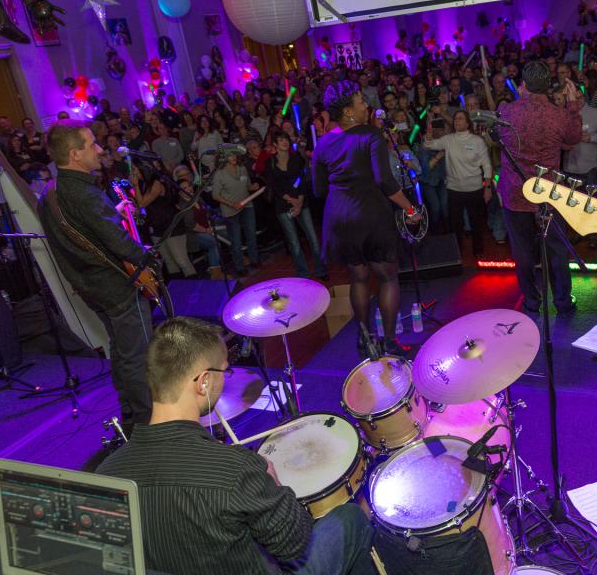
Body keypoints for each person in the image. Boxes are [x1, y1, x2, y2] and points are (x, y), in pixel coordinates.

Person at [97, 317, 375, 575]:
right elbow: (294, 544)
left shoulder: (105, 474)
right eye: (224, 370)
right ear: (204, 381)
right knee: (350, 518)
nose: (225, 378)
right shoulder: (236, 469)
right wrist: (275, 485)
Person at [37, 121, 152, 433]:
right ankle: (148, 427)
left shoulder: (50, 193)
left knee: (121, 351)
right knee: (138, 356)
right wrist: (147, 255)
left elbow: (82, 235)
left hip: (92, 288)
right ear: (75, 154)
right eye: (92, 144)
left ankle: (130, 418)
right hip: (119, 286)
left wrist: (110, 210)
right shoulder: (85, 193)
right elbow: (116, 241)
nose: (99, 149)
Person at [311, 80, 420, 355]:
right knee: (387, 277)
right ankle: (390, 343)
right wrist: (410, 208)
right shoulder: (370, 135)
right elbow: (385, 181)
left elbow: (319, 189)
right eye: (361, 101)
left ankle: (364, 338)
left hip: (339, 217)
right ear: (348, 111)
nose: (366, 105)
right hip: (370, 213)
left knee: (358, 277)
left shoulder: (323, 142)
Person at [496, 60, 582, 315]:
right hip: (549, 192)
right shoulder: (558, 114)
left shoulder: (507, 112)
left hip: (515, 191)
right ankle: (563, 302)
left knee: (522, 251)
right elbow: (573, 138)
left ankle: (532, 302)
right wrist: (573, 104)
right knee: (556, 249)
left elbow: (500, 141)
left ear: (522, 84)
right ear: (548, 86)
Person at [423, 110, 493, 255]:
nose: (457, 121)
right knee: (456, 224)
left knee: (476, 223)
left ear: (467, 123)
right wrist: (429, 132)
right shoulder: (448, 139)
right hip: (454, 190)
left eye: (460, 119)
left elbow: (487, 165)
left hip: (475, 189)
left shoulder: (477, 141)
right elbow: (429, 145)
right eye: (455, 119)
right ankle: (457, 253)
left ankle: (478, 252)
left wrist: (488, 188)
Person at [267, 132, 328, 280]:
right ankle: (303, 274)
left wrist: (299, 201)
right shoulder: (271, 162)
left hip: (301, 201)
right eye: (281, 139)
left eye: (286, 139)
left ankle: (321, 270)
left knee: (313, 238)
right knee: (294, 242)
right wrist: (291, 200)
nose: (284, 142)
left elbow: (302, 179)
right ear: (275, 144)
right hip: (283, 205)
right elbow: (274, 186)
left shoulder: (296, 158)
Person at [213, 149, 260, 276]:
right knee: (236, 240)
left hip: (247, 205)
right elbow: (215, 195)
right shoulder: (219, 174)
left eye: (234, 154)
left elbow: (247, 186)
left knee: (251, 234)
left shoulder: (242, 168)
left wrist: (253, 187)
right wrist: (231, 204)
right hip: (231, 210)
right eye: (229, 155)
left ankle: (254, 260)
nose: (232, 157)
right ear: (223, 158)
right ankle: (240, 267)